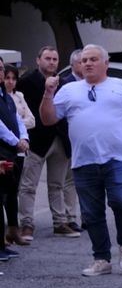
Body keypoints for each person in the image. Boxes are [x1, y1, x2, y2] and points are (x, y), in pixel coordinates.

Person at [39, 45, 122, 276]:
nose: (88, 64)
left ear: (106, 63)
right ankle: (101, 259)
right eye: (84, 60)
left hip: (117, 158)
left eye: (93, 59)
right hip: (83, 160)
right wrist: (48, 94)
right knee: (92, 213)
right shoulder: (69, 90)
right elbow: (48, 119)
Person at [15, 46, 79, 241]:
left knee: (57, 185)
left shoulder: (64, 83)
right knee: (28, 186)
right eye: (47, 58)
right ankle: (26, 224)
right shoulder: (26, 81)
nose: (51, 62)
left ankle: (60, 223)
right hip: (35, 140)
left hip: (60, 139)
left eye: (54, 59)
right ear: (38, 60)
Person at [0, 64, 29, 259]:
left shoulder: (7, 96)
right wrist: (15, 141)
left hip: (10, 153)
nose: (1, 73)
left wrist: (24, 138)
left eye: (2, 68)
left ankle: (3, 244)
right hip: (3, 151)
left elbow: (17, 120)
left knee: (8, 194)